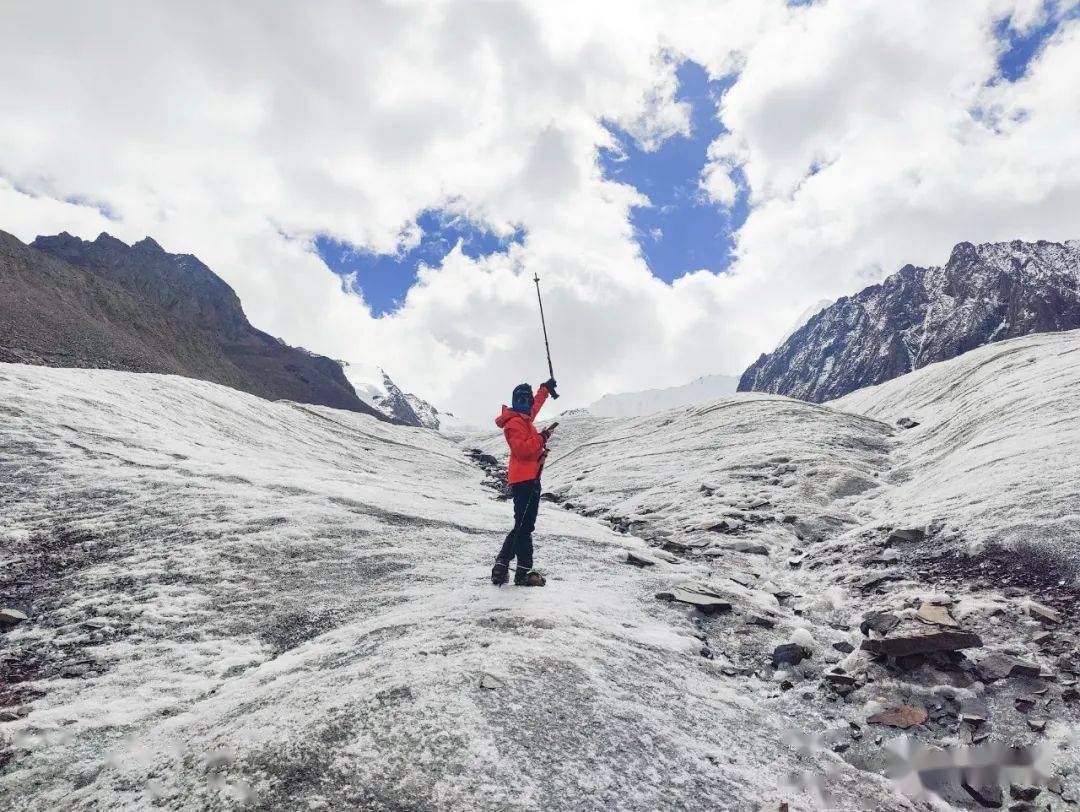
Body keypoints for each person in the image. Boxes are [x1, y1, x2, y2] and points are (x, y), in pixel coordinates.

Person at [491, 377, 558, 586]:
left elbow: (535, 406)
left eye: (528, 400)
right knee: (523, 527)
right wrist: (543, 437)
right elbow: (522, 451)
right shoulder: (514, 423)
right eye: (525, 400)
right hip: (524, 480)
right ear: (518, 401)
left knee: (523, 526)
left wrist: (544, 390)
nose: (529, 403)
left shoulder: (523, 418)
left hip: (530, 478)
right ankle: (515, 570)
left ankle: (509, 568)